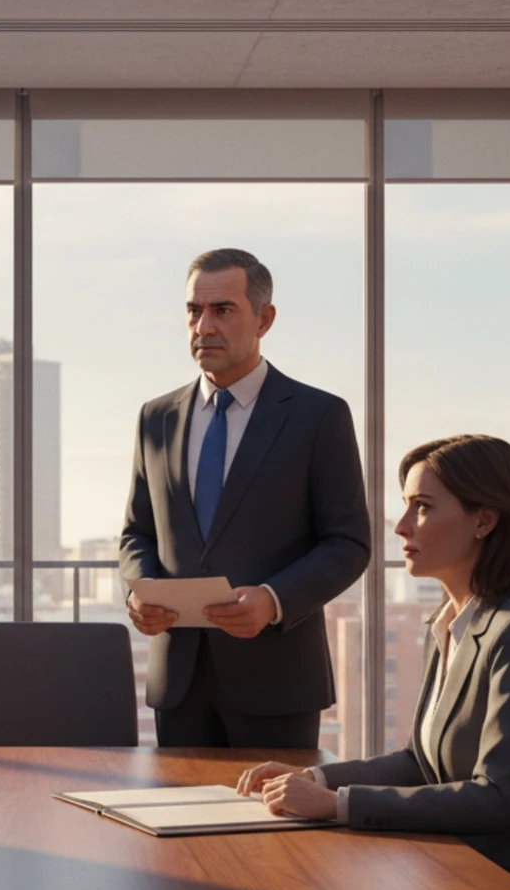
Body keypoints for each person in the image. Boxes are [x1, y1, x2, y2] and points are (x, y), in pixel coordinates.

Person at [236, 434, 510, 890]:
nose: (401, 526)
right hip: (466, 873)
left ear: (484, 519)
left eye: (423, 508)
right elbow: (420, 761)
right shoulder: (452, 621)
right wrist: (317, 779)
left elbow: (497, 797)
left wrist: (336, 805)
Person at [119, 248, 370, 748]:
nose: (203, 326)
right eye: (194, 310)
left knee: (273, 824)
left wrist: (274, 600)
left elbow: (348, 542)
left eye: (223, 310)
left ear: (265, 318)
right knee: (176, 817)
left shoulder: (318, 416)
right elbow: (137, 532)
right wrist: (141, 590)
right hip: (179, 683)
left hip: (277, 681)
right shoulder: (156, 418)